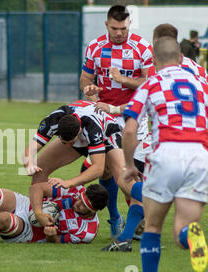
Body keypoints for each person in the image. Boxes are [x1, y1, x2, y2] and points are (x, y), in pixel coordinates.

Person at [102, 23, 208, 251]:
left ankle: (129, 237)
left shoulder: (157, 69)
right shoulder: (200, 71)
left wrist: (110, 109)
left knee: (125, 177)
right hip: (199, 144)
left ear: (157, 44)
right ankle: (127, 237)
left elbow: (139, 109)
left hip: (166, 141)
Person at [123, 36, 207, 272]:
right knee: (182, 228)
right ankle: (189, 236)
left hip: (166, 154)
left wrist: (128, 165)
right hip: (199, 157)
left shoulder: (151, 83)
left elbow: (129, 129)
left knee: (153, 228)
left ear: (155, 61)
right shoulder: (201, 83)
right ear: (181, 58)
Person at [79, 5, 153, 237]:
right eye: (114, 28)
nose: (119, 32)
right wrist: (90, 91)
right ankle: (115, 219)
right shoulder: (95, 46)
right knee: (108, 172)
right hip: (105, 117)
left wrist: (123, 79)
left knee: (132, 174)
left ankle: (138, 221)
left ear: (129, 23)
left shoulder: (142, 48)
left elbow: (150, 83)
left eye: (123, 27)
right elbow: (85, 80)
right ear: (106, 25)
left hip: (133, 118)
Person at [24, 100, 142, 243]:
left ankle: (147, 208)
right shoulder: (52, 120)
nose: (69, 146)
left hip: (108, 134)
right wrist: (29, 163)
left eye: (71, 142)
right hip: (79, 129)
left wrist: (68, 183)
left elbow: (97, 168)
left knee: (124, 181)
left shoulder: (92, 129)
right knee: (39, 169)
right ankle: (41, 216)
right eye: (64, 142)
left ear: (79, 131)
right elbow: (31, 148)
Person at [0, 183, 108, 245]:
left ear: (94, 210)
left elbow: (59, 242)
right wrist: (38, 212)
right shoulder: (74, 189)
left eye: (84, 206)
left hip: (29, 231)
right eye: (80, 199)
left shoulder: (88, 231)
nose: (78, 204)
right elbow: (37, 188)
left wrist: (52, 236)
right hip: (26, 205)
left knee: (1, 219)